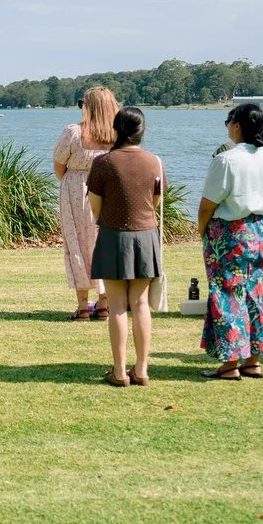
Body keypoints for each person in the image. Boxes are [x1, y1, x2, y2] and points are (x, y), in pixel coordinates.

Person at [196, 103, 263, 380]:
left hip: (230, 232)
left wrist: (202, 230)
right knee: (259, 292)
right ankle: (253, 361)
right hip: (260, 230)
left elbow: (208, 204)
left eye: (229, 121)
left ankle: (229, 364)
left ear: (237, 125)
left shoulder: (227, 159)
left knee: (227, 293)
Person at [86, 106, 165, 386]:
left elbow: (95, 208)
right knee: (141, 303)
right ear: (142, 131)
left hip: (112, 236)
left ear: (116, 130)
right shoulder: (154, 162)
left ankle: (119, 371)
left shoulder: (103, 162)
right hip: (145, 235)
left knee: (117, 305)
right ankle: (141, 369)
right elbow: (154, 202)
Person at [53, 87, 119, 321]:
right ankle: (104, 303)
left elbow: (59, 166)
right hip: (108, 190)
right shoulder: (118, 134)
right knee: (104, 245)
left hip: (76, 189)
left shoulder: (73, 132)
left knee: (77, 244)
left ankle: (82, 306)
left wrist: (75, 178)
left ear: (88, 107)